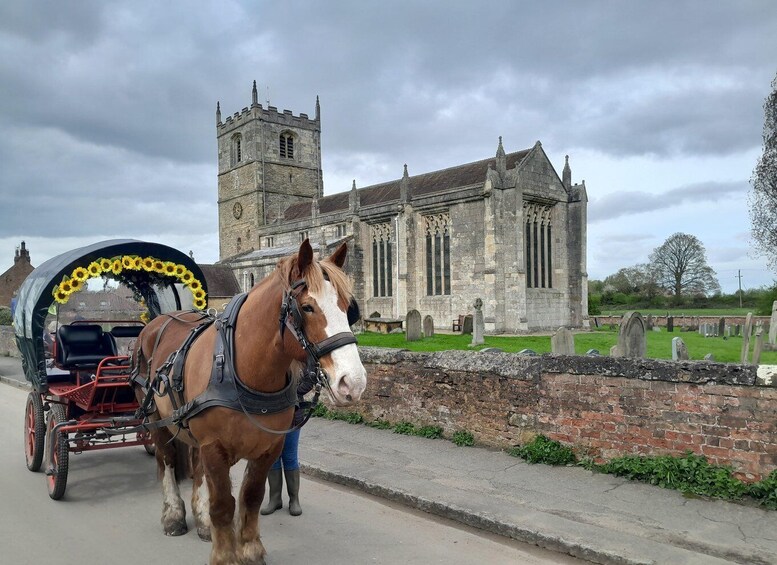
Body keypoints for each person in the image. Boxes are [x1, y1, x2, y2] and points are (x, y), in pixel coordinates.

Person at [260, 366, 316, 516]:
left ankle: (294, 500)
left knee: (290, 457)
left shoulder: (297, 361)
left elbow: (310, 378)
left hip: (293, 415)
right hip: (272, 417)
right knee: (273, 458)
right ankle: (275, 499)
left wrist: (292, 393)